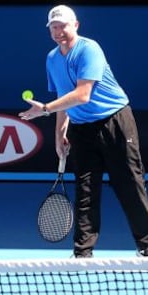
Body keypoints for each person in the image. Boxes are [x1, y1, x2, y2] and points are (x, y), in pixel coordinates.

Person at [18, 4, 148, 258]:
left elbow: (82, 94)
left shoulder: (90, 49)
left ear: (75, 25)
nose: (58, 32)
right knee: (86, 189)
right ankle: (82, 252)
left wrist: (44, 109)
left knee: (129, 184)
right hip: (81, 130)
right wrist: (59, 134)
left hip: (115, 122)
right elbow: (63, 98)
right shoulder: (52, 58)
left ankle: (146, 243)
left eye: (63, 26)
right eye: (53, 27)